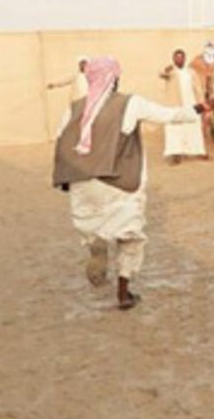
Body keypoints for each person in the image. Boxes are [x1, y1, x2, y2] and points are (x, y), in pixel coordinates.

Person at [53, 56, 204, 311]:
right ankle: (123, 293)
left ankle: (95, 243)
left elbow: (62, 142)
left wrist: (67, 180)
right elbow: (169, 115)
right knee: (130, 236)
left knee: (92, 224)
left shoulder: (74, 108)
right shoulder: (129, 103)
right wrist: (199, 109)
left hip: (82, 182)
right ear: (114, 79)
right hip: (120, 181)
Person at [159, 49, 209, 163]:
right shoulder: (171, 71)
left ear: (184, 59)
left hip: (191, 104)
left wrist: (201, 102)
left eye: (181, 57)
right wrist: (165, 70)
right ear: (173, 59)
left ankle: (199, 151)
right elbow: (161, 74)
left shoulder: (191, 72)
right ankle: (175, 154)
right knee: (174, 129)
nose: (179, 60)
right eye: (177, 57)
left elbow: (198, 88)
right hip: (175, 105)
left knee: (194, 127)